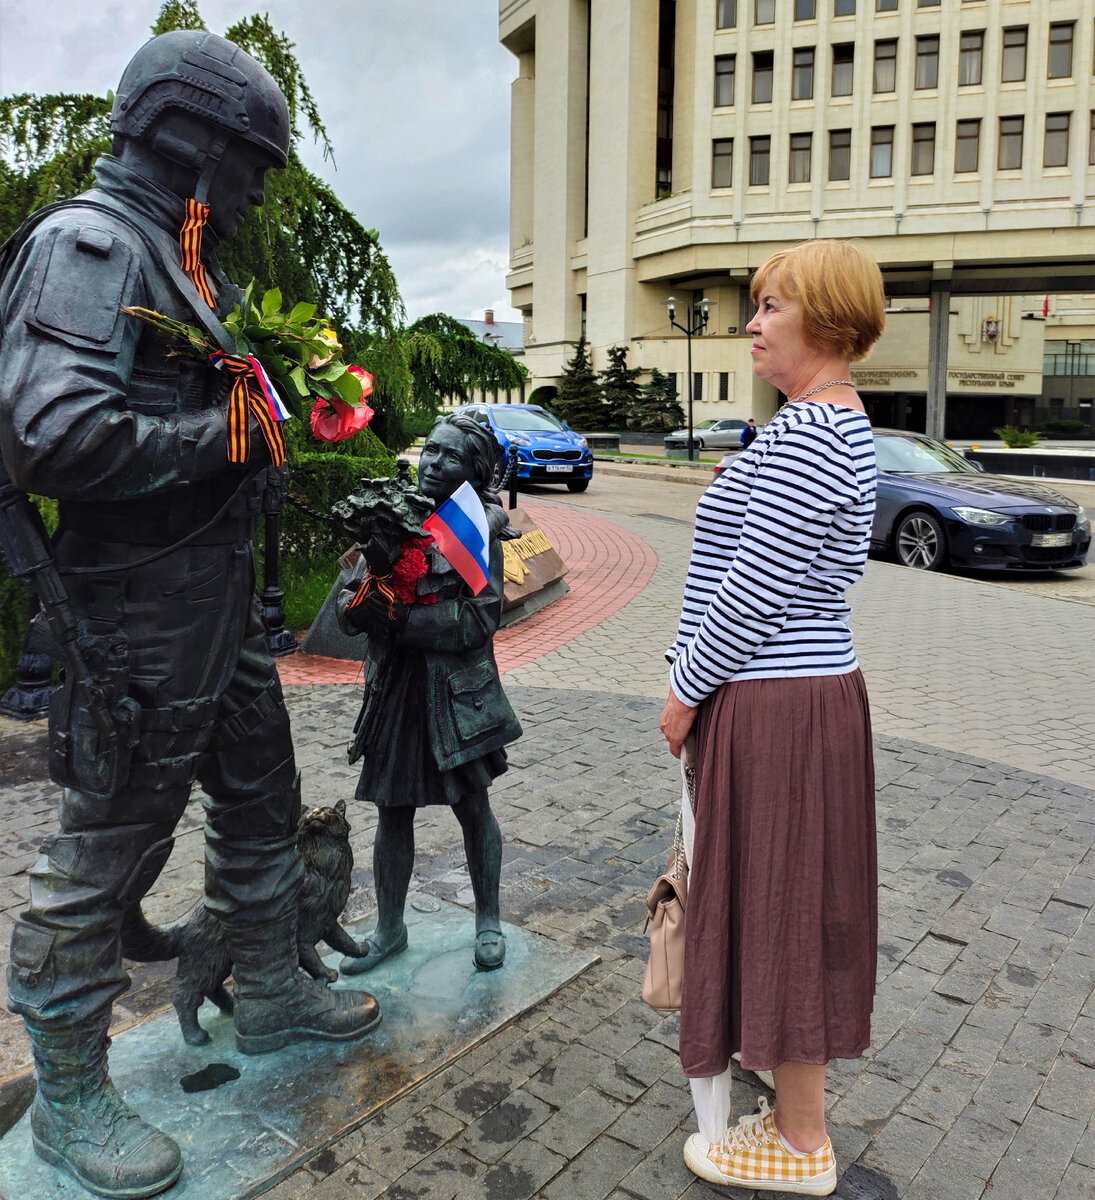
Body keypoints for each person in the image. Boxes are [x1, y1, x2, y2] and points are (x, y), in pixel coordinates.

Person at [0, 32, 379, 1199]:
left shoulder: (177, 256)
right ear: (187, 136)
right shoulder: (92, 245)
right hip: (138, 621)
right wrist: (221, 437)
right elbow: (48, 432)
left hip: (213, 605)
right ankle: (68, 1094)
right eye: (249, 160)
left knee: (261, 795)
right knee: (107, 849)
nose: (261, 185)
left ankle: (267, 992)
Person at [660, 239, 885, 1196]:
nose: (751, 324)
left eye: (770, 307)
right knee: (789, 901)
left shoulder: (812, 436)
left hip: (773, 703)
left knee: (788, 906)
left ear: (827, 319)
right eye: (754, 306)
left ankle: (799, 1143)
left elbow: (751, 593)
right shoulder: (819, 429)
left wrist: (682, 694)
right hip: (789, 699)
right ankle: (795, 1119)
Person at [337, 414, 522, 976]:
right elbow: (348, 595)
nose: (433, 464)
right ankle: (390, 928)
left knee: (473, 807)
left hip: (457, 697)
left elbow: (479, 619)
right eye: (430, 452)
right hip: (397, 690)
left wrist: (402, 620)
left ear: (474, 472)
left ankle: (487, 919)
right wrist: (361, 605)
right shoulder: (391, 514)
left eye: (450, 458)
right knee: (392, 810)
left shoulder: (473, 527)